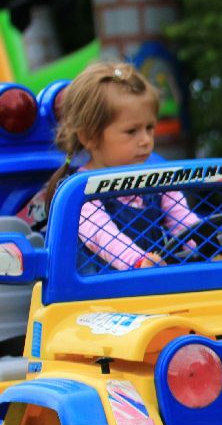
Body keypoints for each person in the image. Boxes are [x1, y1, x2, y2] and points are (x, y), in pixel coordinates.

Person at [40, 62, 198, 270]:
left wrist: (208, 248)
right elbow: (102, 236)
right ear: (90, 136)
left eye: (149, 128)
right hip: (97, 295)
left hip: (151, 286)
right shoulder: (80, 191)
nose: (145, 140)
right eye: (132, 131)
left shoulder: (158, 180)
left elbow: (184, 222)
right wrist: (138, 262)